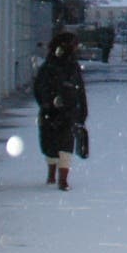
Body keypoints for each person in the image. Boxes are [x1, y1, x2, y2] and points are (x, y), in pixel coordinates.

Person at [33, 32, 88, 191]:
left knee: (59, 144)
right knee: (57, 144)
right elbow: (78, 90)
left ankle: (60, 178)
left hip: (60, 111)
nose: (76, 47)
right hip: (59, 110)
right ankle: (56, 176)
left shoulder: (53, 64)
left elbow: (78, 89)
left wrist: (47, 103)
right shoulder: (61, 65)